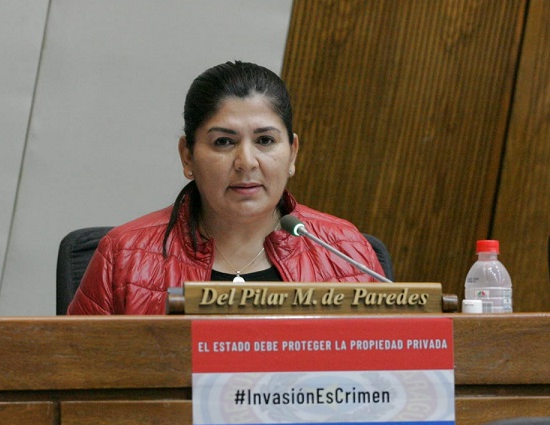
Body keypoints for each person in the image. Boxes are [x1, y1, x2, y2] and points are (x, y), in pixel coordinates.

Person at [67, 61, 385, 315]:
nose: (246, 162)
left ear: (292, 153)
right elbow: (76, 372)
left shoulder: (346, 251)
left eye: (265, 140)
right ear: (188, 156)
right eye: (223, 142)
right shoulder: (123, 257)